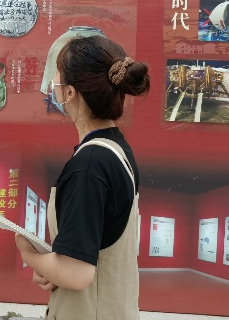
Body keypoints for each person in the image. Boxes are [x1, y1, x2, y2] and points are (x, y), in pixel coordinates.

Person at [15, 35, 150, 320]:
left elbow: (77, 274)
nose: (52, 82)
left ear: (69, 93)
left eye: (57, 74)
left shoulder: (89, 165)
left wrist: (30, 255)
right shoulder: (116, 150)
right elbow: (94, 248)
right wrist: (54, 268)